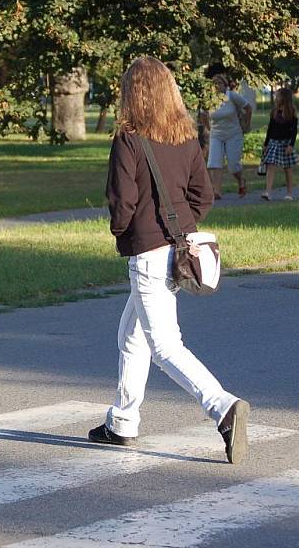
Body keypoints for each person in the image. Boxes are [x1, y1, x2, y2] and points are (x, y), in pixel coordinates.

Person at [88, 56, 250, 465]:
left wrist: (123, 231)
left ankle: (223, 407)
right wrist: (182, 226)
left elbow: (121, 201)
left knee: (164, 344)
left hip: (148, 251)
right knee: (132, 334)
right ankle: (122, 421)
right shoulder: (185, 135)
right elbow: (203, 195)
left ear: (133, 93)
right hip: (181, 246)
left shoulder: (128, 138)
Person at [206, 73, 251, 199]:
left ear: (225, 85)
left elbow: (248, 108)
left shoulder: (232, 96)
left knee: (233, 166)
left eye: (219, 83)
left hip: (233, 134)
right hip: (216, 135)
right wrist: (210, 129)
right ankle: (217, 191)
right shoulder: (209, 99)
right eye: (214, 84)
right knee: (214, 163)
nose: (217, 86)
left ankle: (241, 181)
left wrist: (246, 124)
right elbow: (204, 115)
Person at [260, 87, 299, 201]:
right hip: (274, 142)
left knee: (287, 169)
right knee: (270, 165)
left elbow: (294, 131)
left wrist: (291, 145)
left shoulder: (292, 112)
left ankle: (289, 193)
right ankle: (268, 191)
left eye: (277, 96)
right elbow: (270, 129)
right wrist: (266, 143)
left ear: (284, 98)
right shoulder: (274, 112)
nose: (275, 98)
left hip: (286, 143)